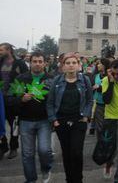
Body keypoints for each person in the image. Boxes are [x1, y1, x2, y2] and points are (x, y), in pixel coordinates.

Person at [47, 53, 93, 183]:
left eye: (74, 63)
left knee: (76, 153)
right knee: (66, 153)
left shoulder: (85, 80)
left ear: (79, 65)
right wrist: (54, 120)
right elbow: (50, 102)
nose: (71, 65)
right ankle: (69, 179)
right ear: (63, 67)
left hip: (79, 121)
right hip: (61, 122)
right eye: (68, 63)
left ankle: (78, 179)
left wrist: (86, 116)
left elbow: (90, 99)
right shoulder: (57, 81)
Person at [15, 51, 53, 183]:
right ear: (30, 63)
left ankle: (46, 169)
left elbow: (56, 101)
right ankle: (31, 180)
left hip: (45, 121)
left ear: (45, 63)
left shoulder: (51, 79)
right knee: (27, 154)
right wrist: (22, 99)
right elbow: (13, 99)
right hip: (25, 121)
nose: (37, 64)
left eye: (40, 61)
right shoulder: (21, 78)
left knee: (44, 150)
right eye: (34, 61)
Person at [0, 42, 29, 159]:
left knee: (14, 125)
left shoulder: (19, 63)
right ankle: (3, 146)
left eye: (1, 50)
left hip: (14, 99)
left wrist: (21, 93)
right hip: (1, 98)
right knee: (1, 124)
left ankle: (13, 147)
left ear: (9, 50)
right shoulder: (0, 62)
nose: (0, 52)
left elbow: (27, 77)